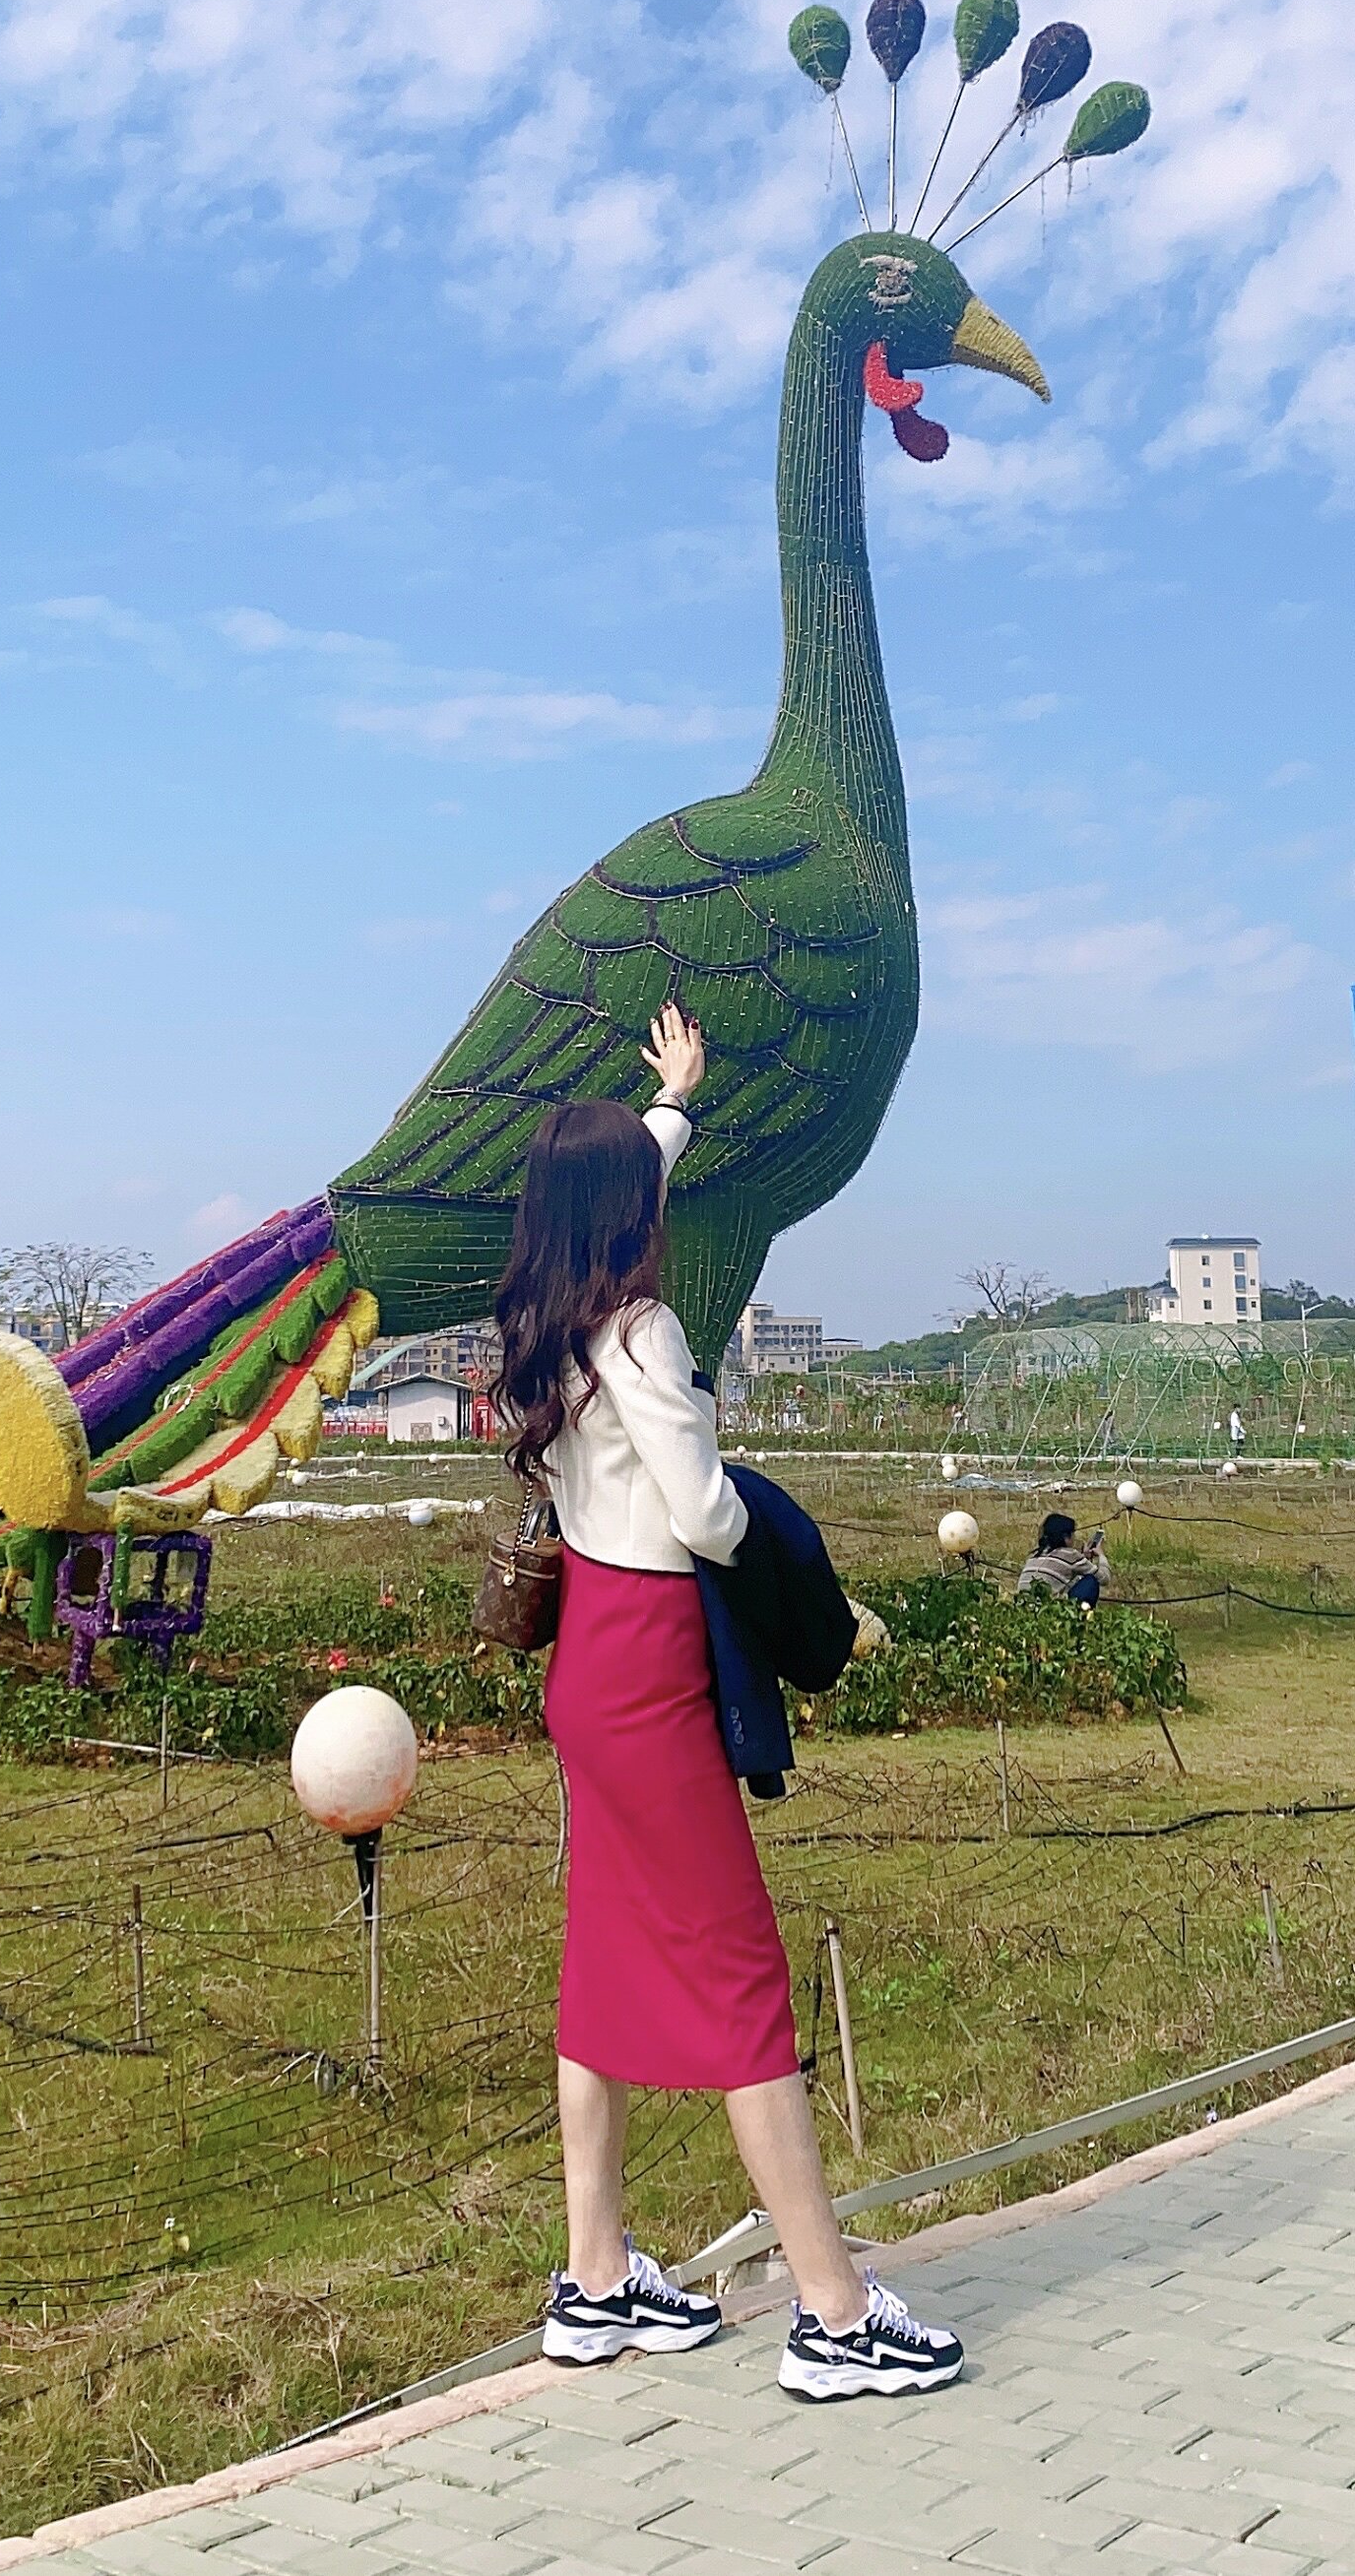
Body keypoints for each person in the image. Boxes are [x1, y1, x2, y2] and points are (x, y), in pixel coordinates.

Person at [494, 1000, 962, 2402]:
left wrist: (673, 1103)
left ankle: (592, 2282)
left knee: (599, 1971)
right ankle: (832, 2311)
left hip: (586, 1662)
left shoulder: (542, 1319)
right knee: (741, 1977)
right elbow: (701, 1513)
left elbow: (619, 1174)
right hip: (650, 1667)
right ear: (623, 1219)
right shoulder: (639, 1331)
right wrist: (780, 1545)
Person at [1016, 1512, 1109, 1609]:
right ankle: (1082, 1614)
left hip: (1024, 1608)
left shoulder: (1034, 1556)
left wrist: (1084, 1557)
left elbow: (1062, 1570)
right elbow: (1104, 1578)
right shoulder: (1071, 1554)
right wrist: (1101, 1555)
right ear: (1066, 1536)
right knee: (1090, 1580)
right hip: (1048, 1609)